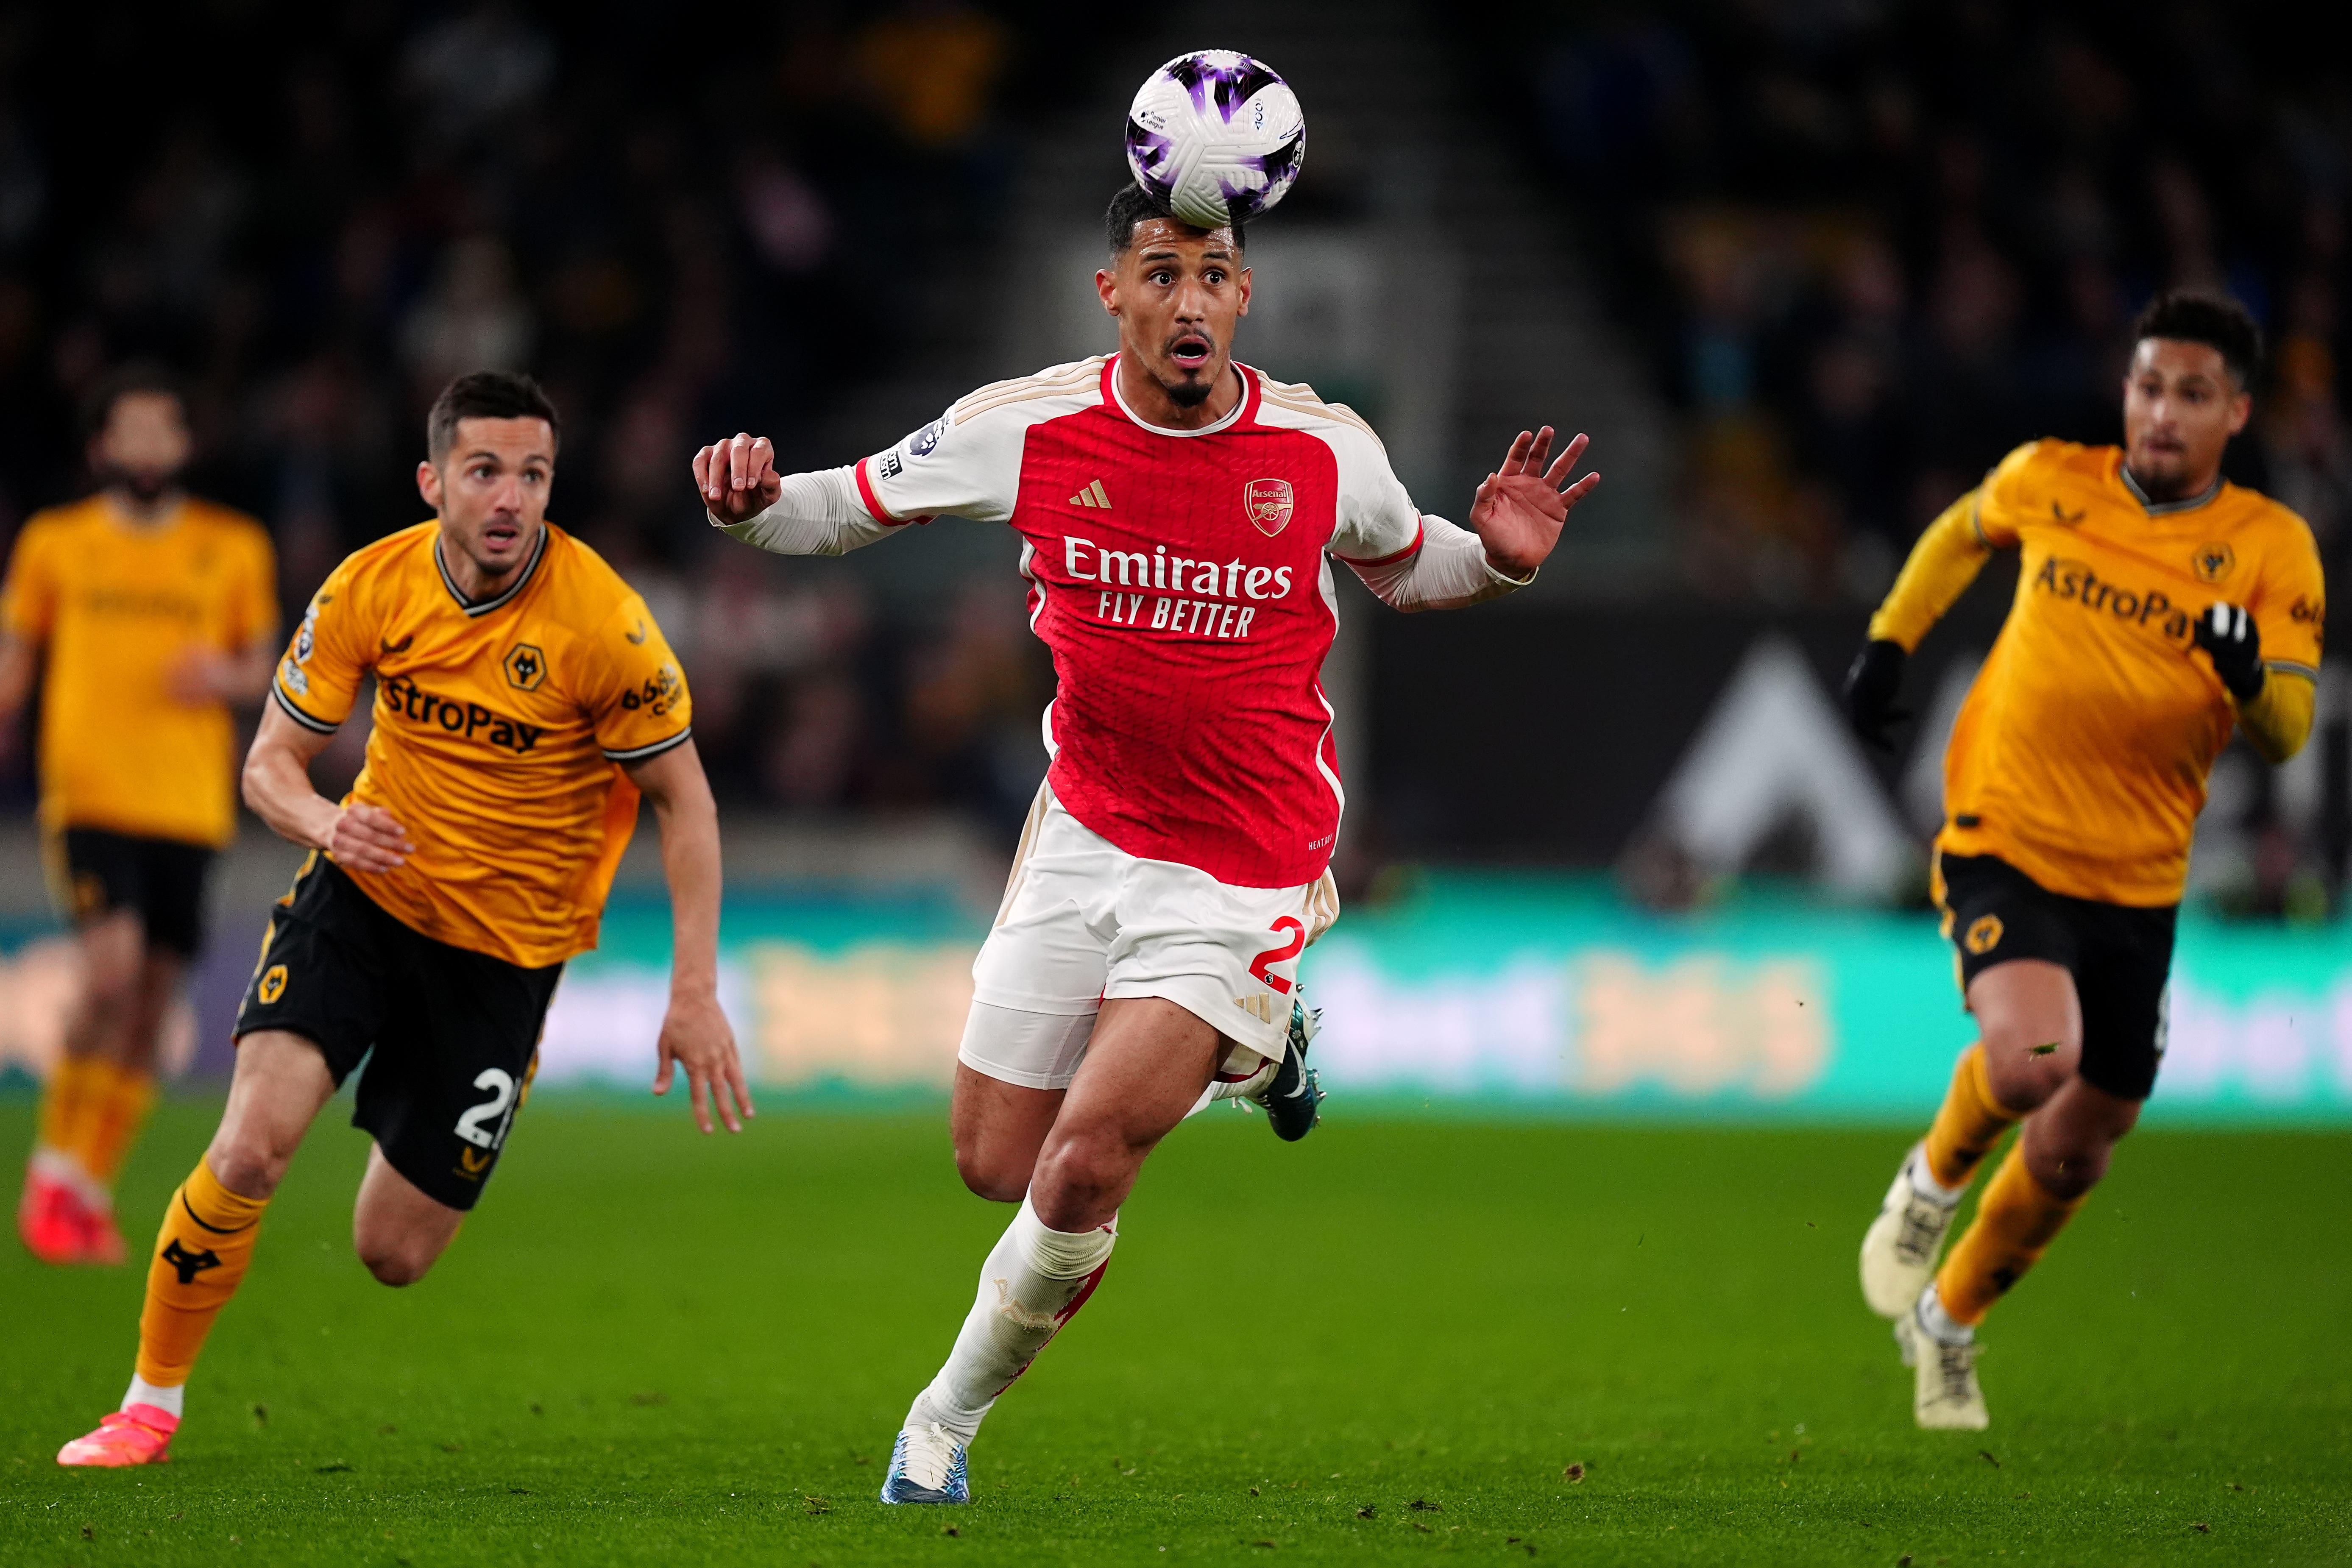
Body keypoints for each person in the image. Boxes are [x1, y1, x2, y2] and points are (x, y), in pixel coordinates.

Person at [695, 185, 1598, 1503]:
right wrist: (745, 504)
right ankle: (1265, 1045)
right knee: (993, 1160)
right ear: (1109, 292)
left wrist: (1501, 559)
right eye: (1160, 273)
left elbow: (1411, 565)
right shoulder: (1029, 425)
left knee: (1078, 1166)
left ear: (1245, 297)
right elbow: (833, 507)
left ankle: (940, 1423)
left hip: (1242, 863)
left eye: (1214, 274)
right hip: (1086, 830)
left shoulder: (1322, 449)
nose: (1189, 300)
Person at [55, 371, 752, 1467]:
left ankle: (474, 1083)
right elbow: (269, 769)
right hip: (364, 896)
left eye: (533, 474)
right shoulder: (368, 587)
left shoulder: (602, 624)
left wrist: (694, 986)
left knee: (392, 1251)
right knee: (248, 1146)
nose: (512, 497)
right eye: (485, 471)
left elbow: (687, 798)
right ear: (434, 481)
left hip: (505, 956)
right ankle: (147, 1404)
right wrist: (331, 828)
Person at [1845, 292, 2324, 1430]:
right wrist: (1887, 642)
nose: (2161, 411)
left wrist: (2246, 671)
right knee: (2028, 1063)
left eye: (2191, 393)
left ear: (2236, 412)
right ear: (2125, 392)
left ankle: (1947, 1323)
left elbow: (2289, 731)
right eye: (2147, 385)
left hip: (2140, 882)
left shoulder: (2268, 547)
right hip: (2005, 839)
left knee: (2076, 1151)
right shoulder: (2051, 476)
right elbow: (1960, 533)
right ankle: (1929, 1181)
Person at [1, 368, 277, 1265]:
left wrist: (223, 676)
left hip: (190, 803)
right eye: (132, 432)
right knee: (112, 972)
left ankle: (86, 1187)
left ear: (185, 446)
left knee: (154, 996)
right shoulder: (56, 543)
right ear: (101, 448)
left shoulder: (231, 546)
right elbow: (15, 656)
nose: (148, 447)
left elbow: (264, 667)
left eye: (164, 431)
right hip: (90, 793)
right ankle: (51, 1172)